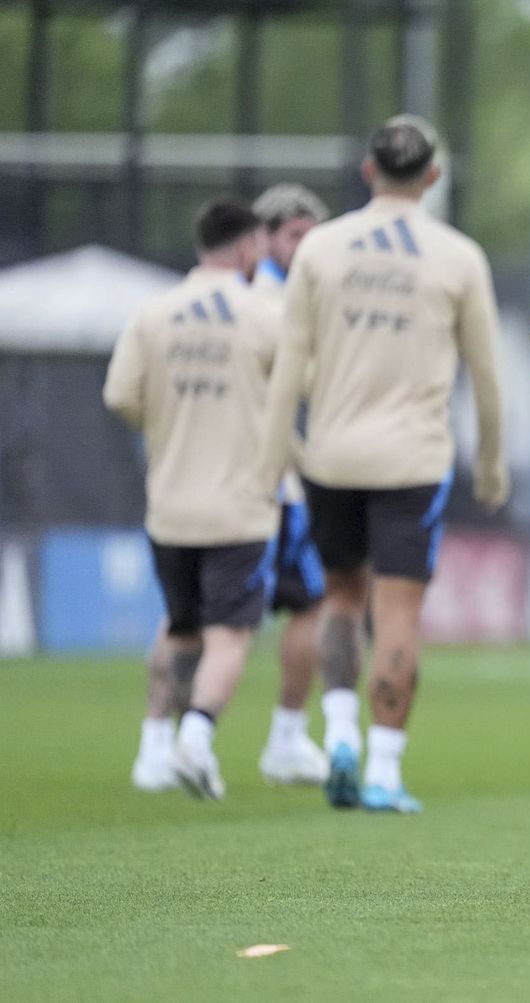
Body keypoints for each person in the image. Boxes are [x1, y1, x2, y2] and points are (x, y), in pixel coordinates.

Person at [259, 115, 509, 814]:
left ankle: (338, 731)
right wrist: (492, 461)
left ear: (368, 172)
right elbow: (485, 375)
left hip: (330, 456)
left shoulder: (320, 249)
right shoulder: (458, 256)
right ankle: (384, 771)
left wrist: (272, 456)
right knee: (397, 613)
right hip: (412, 460)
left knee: (340, 597)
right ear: (432, 177)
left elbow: (287, 367)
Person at [106, 199, 281, 800]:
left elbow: (119, 395)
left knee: (180, 627)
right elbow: (296, 393)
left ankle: (152, 747)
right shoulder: (265, 315)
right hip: (239, 504)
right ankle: (196, 740)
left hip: (171, 502)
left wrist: (163, 428)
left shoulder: (154, 313)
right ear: (246, 248)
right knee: (229, 634)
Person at [250, 182, 333, 786]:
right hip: (279, 483)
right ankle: (286, 735)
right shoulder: (277, 306)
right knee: (309, 606)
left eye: (311, 236)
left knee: (199, 617)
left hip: (234, 479)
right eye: (293, 236)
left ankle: (169, 738)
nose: (303, 247)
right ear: (266, 237)